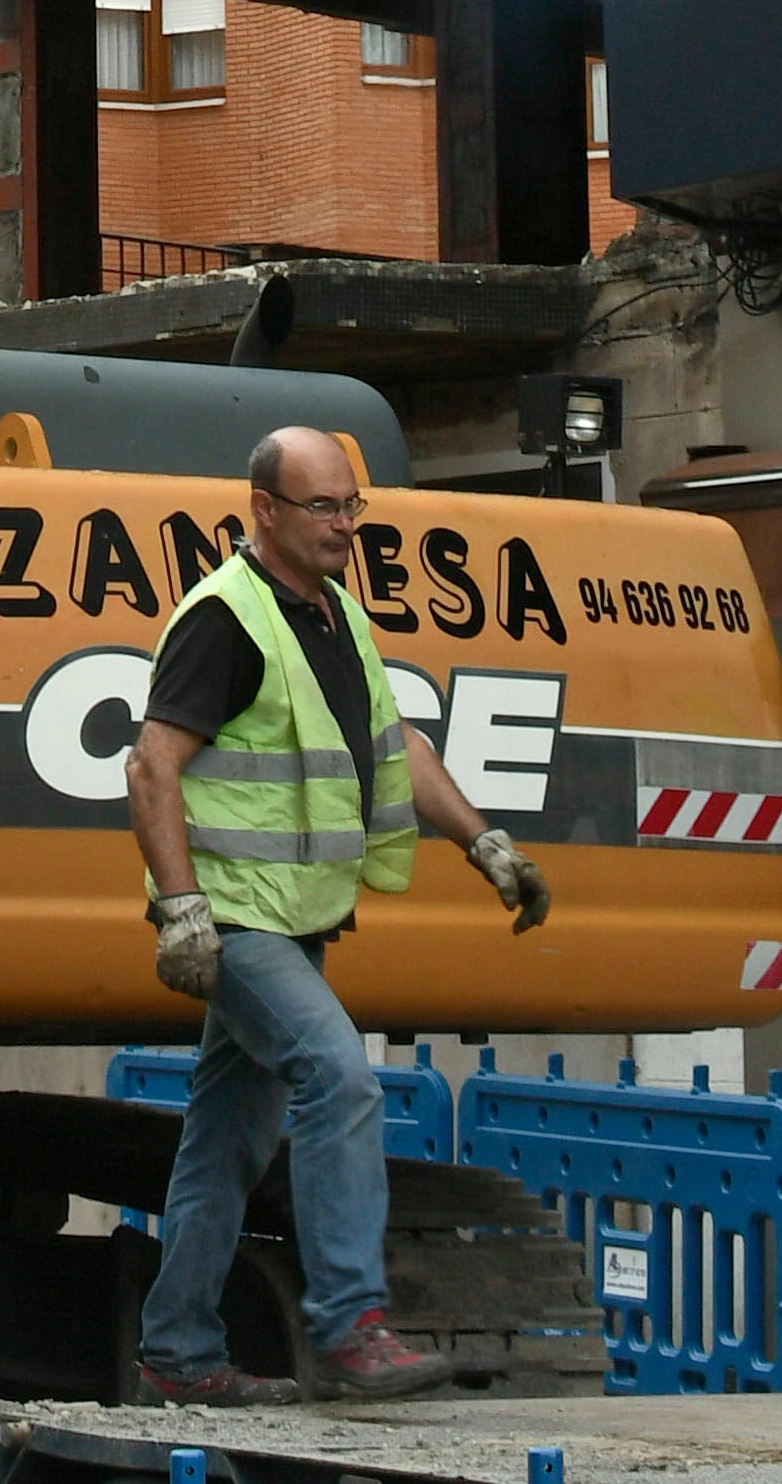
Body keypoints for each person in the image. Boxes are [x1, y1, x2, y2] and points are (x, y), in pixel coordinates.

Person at [122, 420, 552, 1405]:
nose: (343, 524)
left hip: (295, 917)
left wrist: (484, 843)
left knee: (225, 1141)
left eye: (351, 505)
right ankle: (352, 1327)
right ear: (262, 511)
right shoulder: (225, 618)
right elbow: (150, 766)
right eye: (321, 506)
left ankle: (177, 1356)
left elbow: (398, 746)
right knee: (340, 1079)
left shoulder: (334, 614)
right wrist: (182, 912)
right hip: (236, 920)